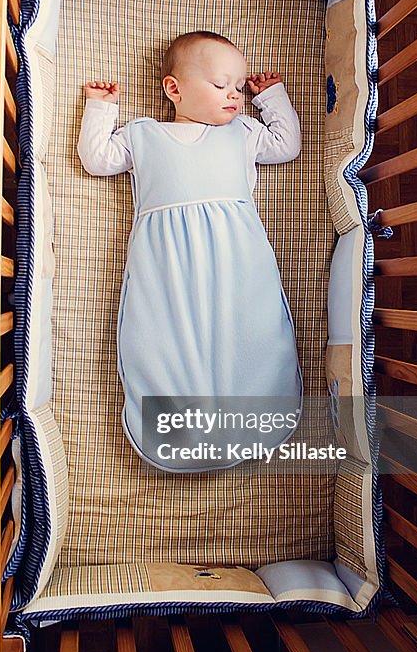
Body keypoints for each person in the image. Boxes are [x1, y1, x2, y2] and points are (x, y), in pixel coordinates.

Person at [77, 30, 302, 472]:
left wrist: (271, 97)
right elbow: (97, 159)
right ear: (173, 89)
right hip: (166, 261)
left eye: (239, 88)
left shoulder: (242, 132)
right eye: (222, 86)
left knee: (248, 325)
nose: (235, 96)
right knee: (165, 332)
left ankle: (252, 414)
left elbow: (286, 145)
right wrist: (100, 108)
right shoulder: (143, 135)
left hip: (237, 253)